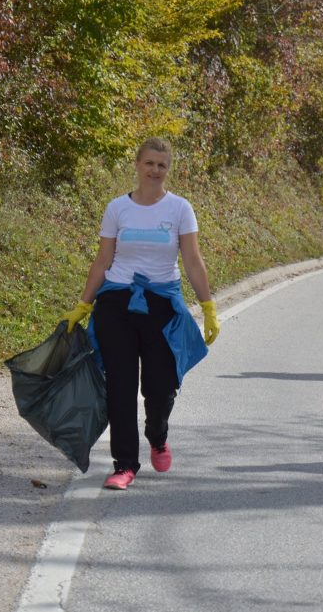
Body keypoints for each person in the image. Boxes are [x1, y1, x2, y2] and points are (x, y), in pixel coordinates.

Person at [60, 137, 221, 491]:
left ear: (168, 170)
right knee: (120, 386)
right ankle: (125, 465)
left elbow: (193, 260)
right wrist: (84, 304)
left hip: (161, 304)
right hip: (117, 303)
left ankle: (157, 435)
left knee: (160, 387)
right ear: (137, 165)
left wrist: (208, 306)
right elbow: (103, 260)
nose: (155, 170)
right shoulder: (118, 208)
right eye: (149, 163)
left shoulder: (180, 209)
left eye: (162, 165)